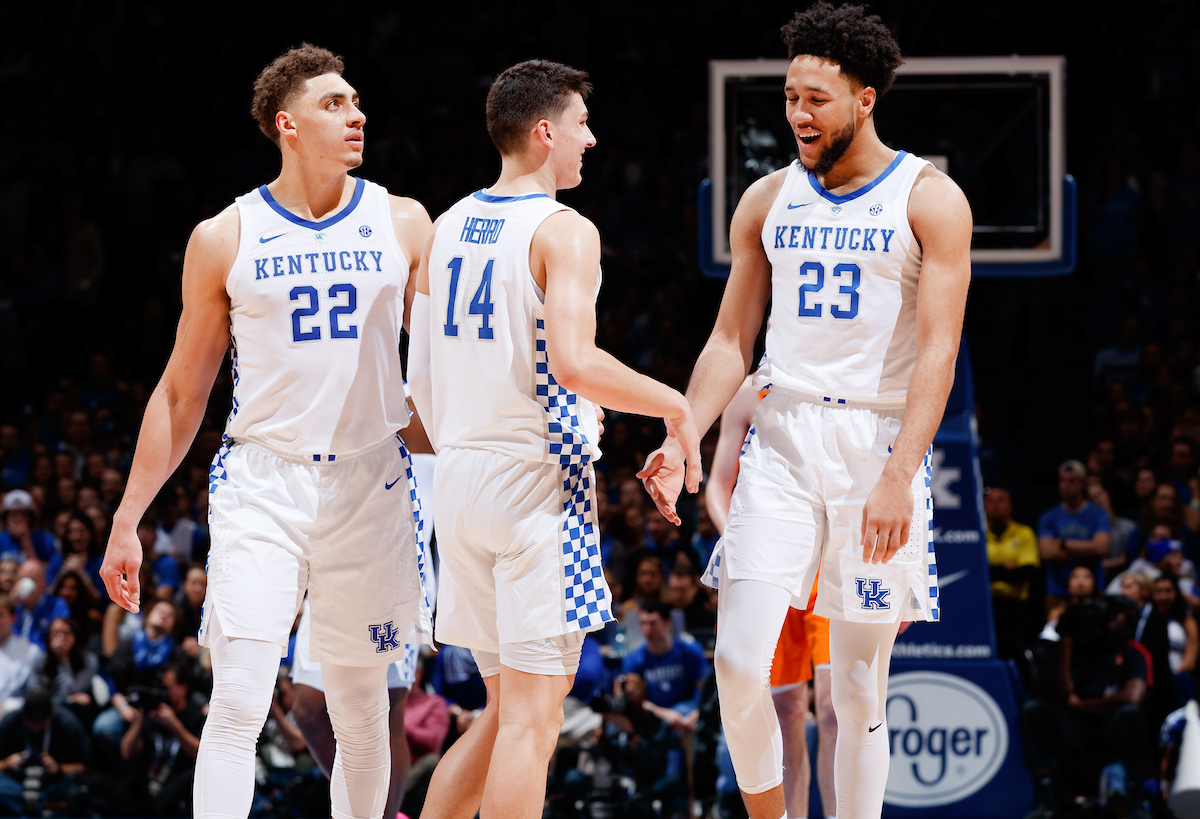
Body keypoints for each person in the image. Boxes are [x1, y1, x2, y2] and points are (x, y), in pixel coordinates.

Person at [638, 6, 972, 817]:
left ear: (864, 98)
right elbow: (728, 339)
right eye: (790, 95)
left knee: (856, 689)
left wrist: (899, 475)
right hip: (782, 437)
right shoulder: (765, 197)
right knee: (740, 665)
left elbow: (938, 353)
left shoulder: (930, 199)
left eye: (816, 98)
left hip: (876, 441)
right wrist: (683, 429)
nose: (797, 113)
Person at [98, 43, 433, 819]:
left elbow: (451, 365)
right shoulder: (225, 236)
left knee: (358, 711)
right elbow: (183, 393)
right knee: (241, 698)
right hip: (265, 480)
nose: (357, 115)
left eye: (355, 102)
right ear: (287, 124)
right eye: (334, 104)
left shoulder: (403, 221)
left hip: (371, 482)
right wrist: (127, 516)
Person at [407, 59, 700, 819]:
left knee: (505, 713)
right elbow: (574, 361)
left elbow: (424, 382)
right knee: (535, 724)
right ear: (544, 132)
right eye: (579, 124)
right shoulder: (564, 230)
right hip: (535, 488)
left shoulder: (444, 227)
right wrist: (675, 404)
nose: (591, 139)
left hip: (460, 481)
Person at [705, 377, 838, 819]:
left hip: (829, 567)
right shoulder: (748, 390)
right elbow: (718, 486)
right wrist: (750, 552)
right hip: (770, 562)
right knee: (785, 710)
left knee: (836, 708)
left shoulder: (839, 380)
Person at [1038, 460, 1113, 611]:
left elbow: (1102, 548)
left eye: (1072, 481)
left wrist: (1065, 545)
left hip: (1093, 592)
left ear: (1083, 484)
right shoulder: (1049, 517)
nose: (1065, 486)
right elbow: (1046, 553)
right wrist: (1088, 550)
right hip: (1057, 592)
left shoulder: (1098, 515)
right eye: (1062, 481)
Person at [985, 486, 1042, 653]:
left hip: (1017, 609)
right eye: (990, 501)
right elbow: (973, 574)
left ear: (1011, 505)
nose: (996, 505)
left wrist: (990, 571)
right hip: (986, 606)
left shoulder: (1024, 533)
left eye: (1001, 500)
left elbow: (1028, 572)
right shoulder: (977, 534)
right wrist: (1006, 568)